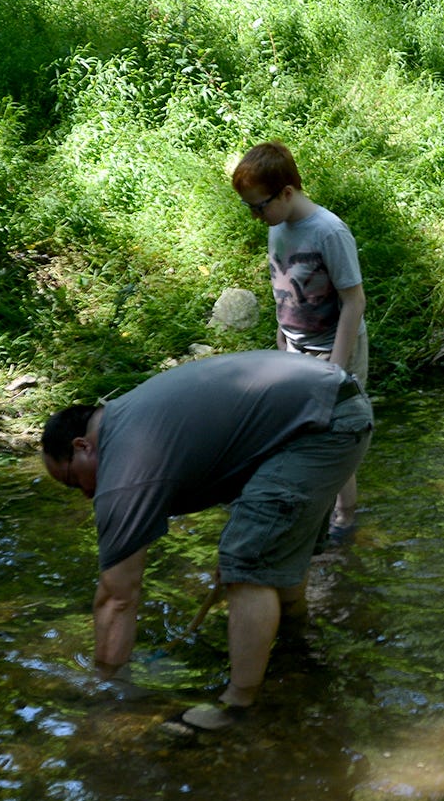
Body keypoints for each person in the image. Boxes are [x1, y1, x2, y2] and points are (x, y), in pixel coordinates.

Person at [41, 351, 373, 728]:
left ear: (83, 446)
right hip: (330, 406)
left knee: (247, 568)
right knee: (265, 555)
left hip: (319, 426)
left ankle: (237, 707)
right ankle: (296, 647)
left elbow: (117, 596)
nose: (85, 495)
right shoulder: (132, 417)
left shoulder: (125, 463)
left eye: (73, 481)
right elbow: (236, 444)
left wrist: (106, 685)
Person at [233, 141, 367, 542]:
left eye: (259, 206)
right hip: (295, 348)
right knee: (300, 436)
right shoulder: (277, 227)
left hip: (335, 348)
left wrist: (336, 367)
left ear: (287, 192)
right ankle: (316, 516)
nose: (256, 216)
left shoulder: (329, 231)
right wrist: (282, 341)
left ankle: (344, 518)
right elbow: (284, 286)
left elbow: (354, 301)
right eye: (250, 208)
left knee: (335, 439)